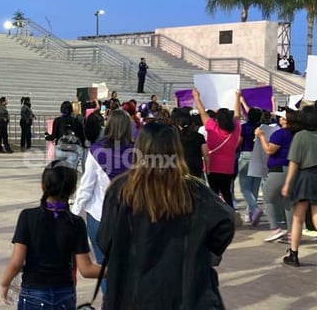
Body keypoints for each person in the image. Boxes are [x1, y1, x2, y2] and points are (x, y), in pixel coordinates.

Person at [97, 122, 236, 309]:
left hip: (133, 291)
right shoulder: (195, 191)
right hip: (183, 291)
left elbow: (105, 240)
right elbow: (226, 221)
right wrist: (201, 251)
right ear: (176, 150)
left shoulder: (120, 190)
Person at [0, 160, 101, 308]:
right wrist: (117, 269)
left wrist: (4, 284)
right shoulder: (76, 223)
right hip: (64, 293)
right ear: (73, 189)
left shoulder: (27, 217)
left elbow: (17, 262)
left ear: (43, 185)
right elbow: (86, 269)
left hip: (34, 292)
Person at [71, 109, 134, 294]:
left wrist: (74, 214)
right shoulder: (136, 151)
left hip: (99, 217)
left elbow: (86, 187)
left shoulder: (96, 151)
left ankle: (110, 301)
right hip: (129, 217)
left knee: (103, 264)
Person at [281, 105, 317, 266]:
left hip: (303, 178)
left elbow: (294, 162)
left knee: (298, 218)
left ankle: (293, 254)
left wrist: (287, 183)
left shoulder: (300, 137)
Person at [193, 88, 241, 208]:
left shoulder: (212, 128)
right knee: (226, 192)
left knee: (214, 193)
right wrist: (237, 98)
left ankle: (215, 216)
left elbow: (202, 113)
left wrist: (197, 98)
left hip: (212, 166)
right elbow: (238, 115)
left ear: (217, 120)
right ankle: (230, 214)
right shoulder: (235, 129)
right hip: (228, 167)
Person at [256, 110, 299, 243]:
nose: (279, 119)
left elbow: (269, 150)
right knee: (288, 202)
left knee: (268, 198)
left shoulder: (280, 134)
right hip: (293, 168)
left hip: (278, 169)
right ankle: (292, 233)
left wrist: (262, 136)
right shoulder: (297, 134)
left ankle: (275, 228)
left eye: (281, 117)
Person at [238, 105, 265, 226]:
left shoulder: (244, 127)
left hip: (246, 154)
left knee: (245, 187)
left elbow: (239, 141)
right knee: (255, 186)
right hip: (259, 156)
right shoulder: (263, 128)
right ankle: (250, 213)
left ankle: (254, 208)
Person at [172, 108, 210, 179]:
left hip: (182, 164)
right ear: (192, 124)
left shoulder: (176, 137)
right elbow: (206, 154)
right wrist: (208, 169)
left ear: (179, 125)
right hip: (196, 165)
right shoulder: (199, 136)